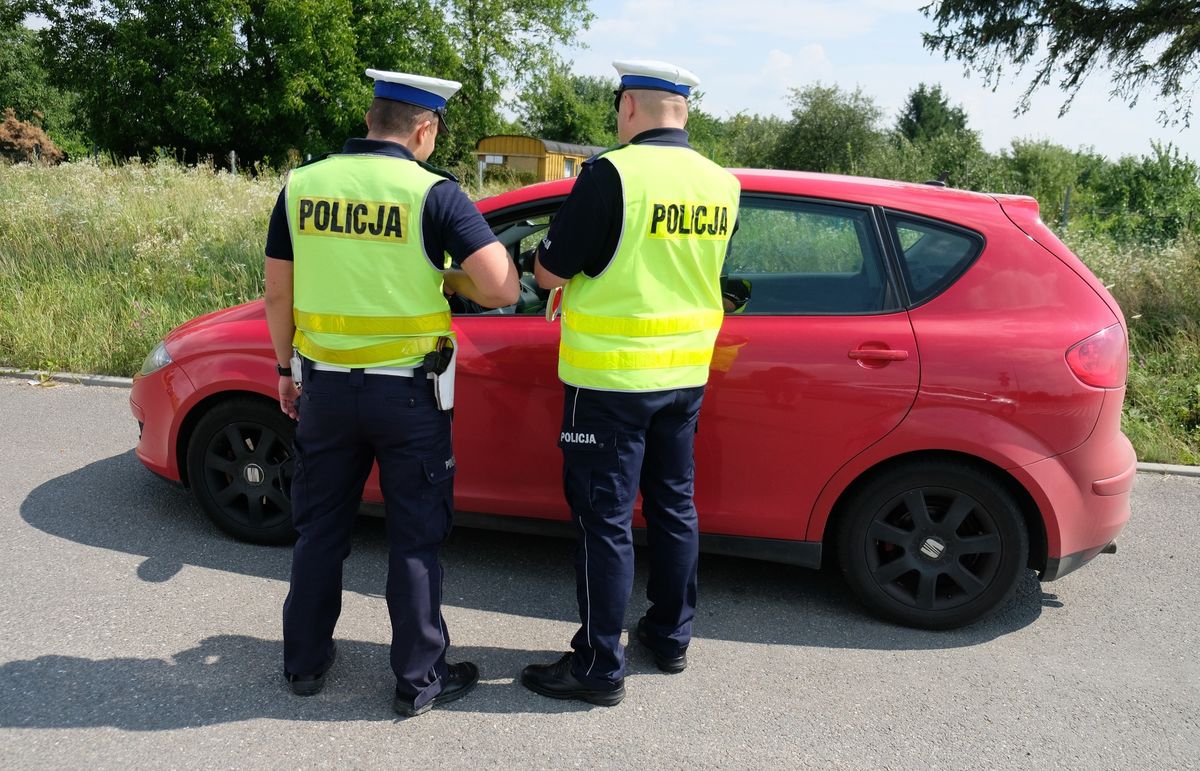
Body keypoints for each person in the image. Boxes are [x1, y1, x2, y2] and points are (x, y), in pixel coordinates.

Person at [263, 69, 519, 717]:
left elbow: (277, 292)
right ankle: (417, 679)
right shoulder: (434, 193)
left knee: (320, 529)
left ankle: (304, 663)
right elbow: (502, 288)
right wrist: (447, 281)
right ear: (424, 129)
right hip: (408, 397)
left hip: (323, 388)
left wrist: (283, 371)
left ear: (373, 117)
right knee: (414, 536)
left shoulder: (303, 185)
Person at [520, 60, 740, 706]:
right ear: (685, 112)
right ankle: (670, 636)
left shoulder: (610, 174)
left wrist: (547, 264)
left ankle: (597, 665)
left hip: (610, 380)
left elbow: (550, 271)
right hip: (685, 376)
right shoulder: (722, 185)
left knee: (604, 520)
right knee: (675, 505)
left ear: (629, 110)